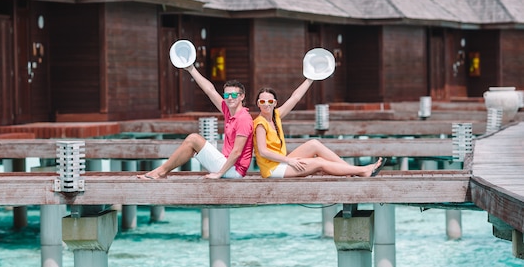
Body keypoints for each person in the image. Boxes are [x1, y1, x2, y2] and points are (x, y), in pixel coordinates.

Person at [138, 64, 254, 180]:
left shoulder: (243, 118)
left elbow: (237, 152)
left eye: (233, 95)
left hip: (233, 170)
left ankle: (160, 172)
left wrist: (219, 174)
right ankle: (160, 172)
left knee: (194, 139)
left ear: (242, 96)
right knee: (192, 143)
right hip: (226, 165)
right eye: (226, 95)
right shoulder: (229, 111)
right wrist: (191, 69)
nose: (229, 98)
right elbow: (210, 90)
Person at [253, 79, 385, 178]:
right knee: (319, 163)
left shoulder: (276, 115)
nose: (266, 105)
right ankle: (362, 171)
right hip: (273, 169)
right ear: (258, 104)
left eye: (270, 102)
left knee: (314, 144)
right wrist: (289, 160)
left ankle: (349, 170)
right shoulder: (260, 123)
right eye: (262, 102)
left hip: (281, 162)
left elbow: (295, 97)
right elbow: (263, 152)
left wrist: (310, 78)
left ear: (275, 103)